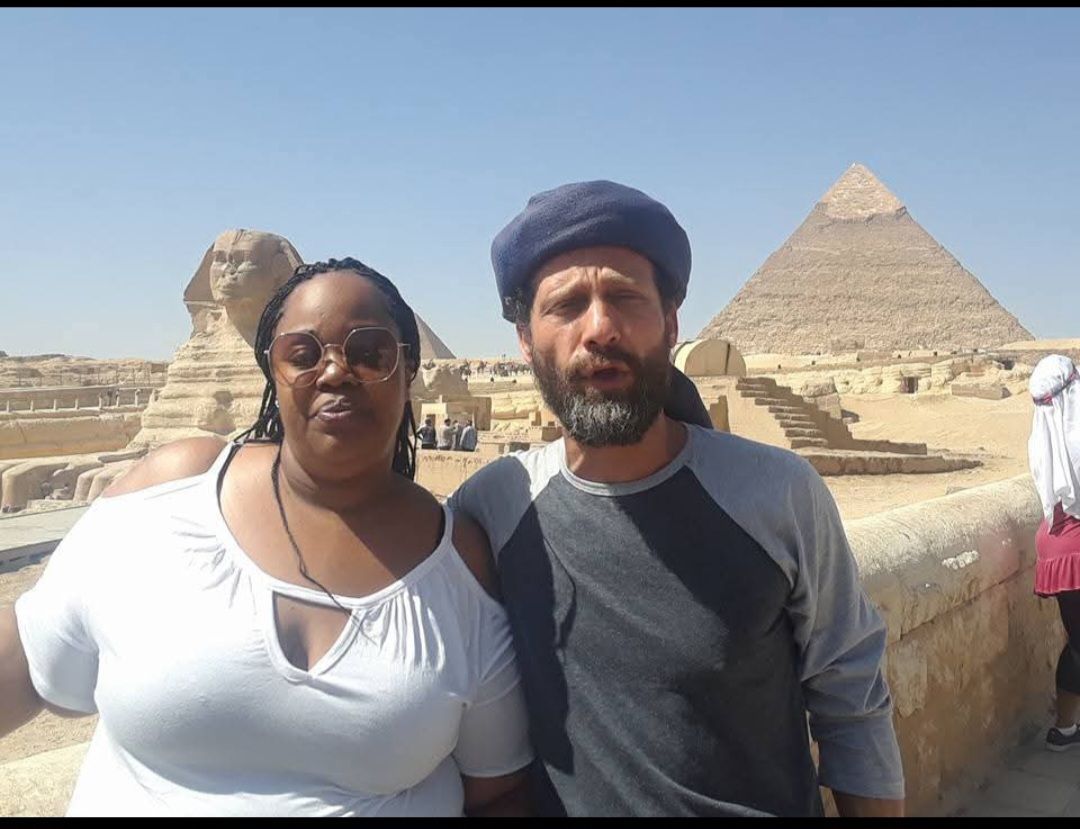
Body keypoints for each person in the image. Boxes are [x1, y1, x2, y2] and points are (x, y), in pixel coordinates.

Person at [0, 258, 532, 816]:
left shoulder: (457, 562)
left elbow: (498, 788)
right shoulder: (171, 493)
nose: (334, 371)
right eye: (302, 355)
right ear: (271, 369)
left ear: (408, 368)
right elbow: (29, 658)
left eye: (369, 353)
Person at [447, 180, 905, 816]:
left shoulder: (777, 493)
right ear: (525, 338)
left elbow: (852, 702)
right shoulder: (492, 510)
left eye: (624, 297)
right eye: (568, 305)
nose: (599, 328)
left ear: (670, 323)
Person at [1027, 354, 1080, 751]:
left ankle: (1064, 729)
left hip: (1056, 541)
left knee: (1077, 641)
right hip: (1076, 544)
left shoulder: (1042, 436)